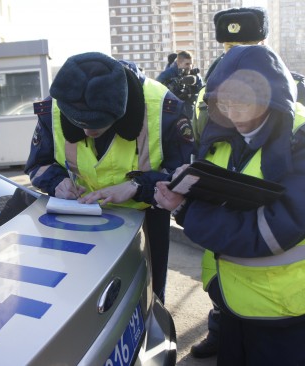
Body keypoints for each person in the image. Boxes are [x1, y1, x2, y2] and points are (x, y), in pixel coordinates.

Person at [154, 44, 305, 365]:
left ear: (272, 97)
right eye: (225, 104)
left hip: (297, 314)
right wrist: (156, 185)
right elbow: (210, 188)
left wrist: (186, 210)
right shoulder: (223, 133)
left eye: (245, 103)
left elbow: (270, 231)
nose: (235, 115)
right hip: (237, 304)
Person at [188, 7, 305, 359]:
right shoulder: (210, 91)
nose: (237, 52)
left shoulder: (290, 85)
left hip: (273, 226)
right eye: (230, 45)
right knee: (226, 286)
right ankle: (220, 325)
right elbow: (204, 143)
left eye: (247, 43)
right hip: (223, 209)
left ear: (264, 42)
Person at [24, 52, 195, 304]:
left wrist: (137, 187)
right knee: (83, 296)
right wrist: (56, 182)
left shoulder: (163, 108)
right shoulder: (55, 107)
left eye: (97, 124)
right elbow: (37, 164)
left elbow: (184, 177)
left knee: (148, 294)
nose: (87, 132)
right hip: (80, 217)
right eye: (79, 123)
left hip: (146, 218)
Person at [193, 6, 305, 144]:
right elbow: (199, 142)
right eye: (231, 47)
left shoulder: (295, 87)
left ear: (263, 44)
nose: (239, 54)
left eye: (247, 46)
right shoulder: (206, 92)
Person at [156, 50, 204, 120]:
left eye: (191, 64)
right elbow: (157, 88)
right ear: (179, 63)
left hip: (190, 113)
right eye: (187, 64)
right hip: (172, 114)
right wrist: (172, 88)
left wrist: (191, 92)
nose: (190, 67)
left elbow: (201, 94)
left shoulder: (195, 76)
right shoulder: (168, 74)